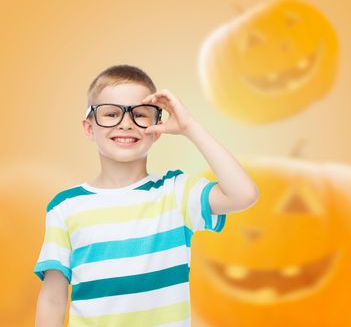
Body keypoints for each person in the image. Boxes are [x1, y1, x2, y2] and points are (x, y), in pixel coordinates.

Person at [34, 64, 259, 326]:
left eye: (140, 114)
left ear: (157, 128)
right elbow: (53, 298)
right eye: (110, 114)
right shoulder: (65, 207)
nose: (126, 124)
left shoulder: (175, 193)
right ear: (88, 128)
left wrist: (190, 126)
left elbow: (243, 195)